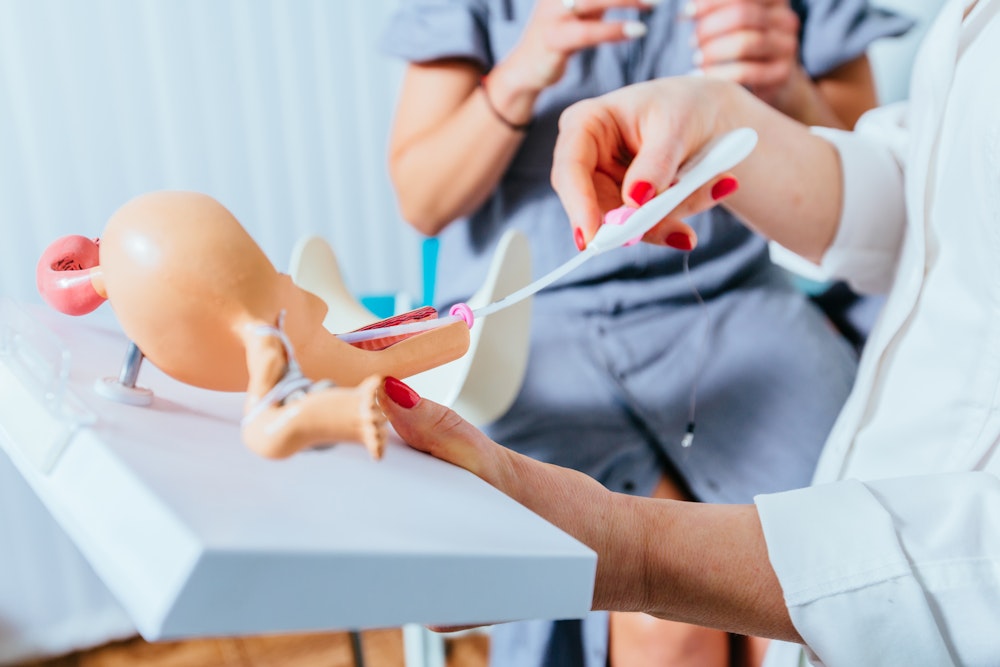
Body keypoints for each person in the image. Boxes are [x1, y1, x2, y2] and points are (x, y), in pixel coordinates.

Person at [378, 0, 1000, 664]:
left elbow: (886, 173)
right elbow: (923, 181)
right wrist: (534, 69)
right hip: (540, 333)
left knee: (786, 603)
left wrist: (783, 88)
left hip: (737, 313)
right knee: (664, 636)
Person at [36, 191, 471, 460]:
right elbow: (262, 429)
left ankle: (451, 332)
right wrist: (334, 415)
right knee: (346, 360)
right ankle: (446, 337)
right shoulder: (260, 337)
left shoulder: (130, 257)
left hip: (270, 326)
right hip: (268, 329)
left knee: (360, 351)